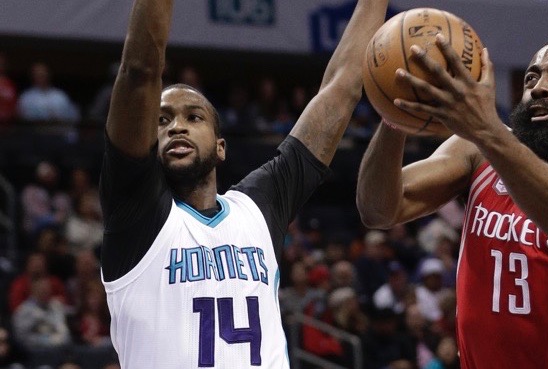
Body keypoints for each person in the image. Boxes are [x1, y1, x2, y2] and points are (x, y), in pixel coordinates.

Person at [99, 0, 388, 368]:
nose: (176, 126)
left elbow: (341, 87)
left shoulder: (257, 208)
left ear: (221, 147)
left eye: (193, 116)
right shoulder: (135, 219)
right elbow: (140, 69)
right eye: (161, 120)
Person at [357, 34, 548, 368]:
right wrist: (394, 114)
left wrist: (486, 129)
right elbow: (378, 209)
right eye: (531, 77)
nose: (539, 87)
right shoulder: (478, 151)